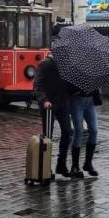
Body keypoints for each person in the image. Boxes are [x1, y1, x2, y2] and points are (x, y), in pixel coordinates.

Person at [34, 49, 72, 178]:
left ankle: (61, 165)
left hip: (63, 104)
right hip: (48, 105)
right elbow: (37, 85)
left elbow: (69, 86)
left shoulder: (67, 66)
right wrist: (44, 100)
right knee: (48, 136)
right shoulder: (45, 65)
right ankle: (46, 167)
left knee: (67, 131)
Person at [68, 84, 101, 178]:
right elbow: (67, 87)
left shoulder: (92, 71)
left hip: (90, 101)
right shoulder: (72, 71)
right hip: (76, 100)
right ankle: (75, 166)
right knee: (79, 131)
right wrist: (76, 90)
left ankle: (88, 163)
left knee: (94, 130)